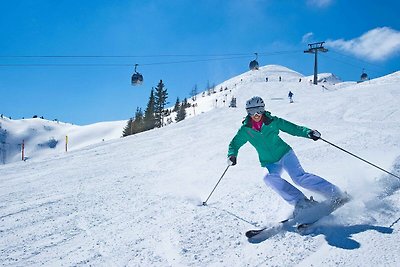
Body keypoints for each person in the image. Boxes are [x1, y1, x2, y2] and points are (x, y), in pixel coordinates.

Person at [227, 96, 347, 213]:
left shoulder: (273, 121)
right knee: (268, 178)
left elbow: (293, 129)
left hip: (285, 154)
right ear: (248, 112)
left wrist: (309, 133)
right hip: (269, 162)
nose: (256, 114)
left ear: (263, 109)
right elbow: (234, 144)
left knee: (299, 178)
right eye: (252, 111)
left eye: (259, 110)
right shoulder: (245, 130)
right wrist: (232, 155)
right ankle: (301, 202)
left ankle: (335, 193)